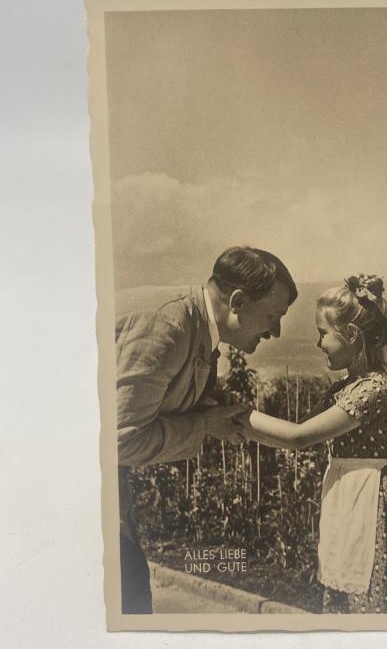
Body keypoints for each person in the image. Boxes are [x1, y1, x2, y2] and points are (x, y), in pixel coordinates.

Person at [115, 246, 297, 613]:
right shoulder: (167, 328)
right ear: (238, 301)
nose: (275, 331)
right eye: (274, 315)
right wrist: (204, 426)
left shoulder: (196, 327)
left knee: (131, 594)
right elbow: (121, 441)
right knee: (127, 597)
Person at [235, 274, 387, 614]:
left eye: (323, 334)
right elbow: (294, 432)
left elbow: (299, 437)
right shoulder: (347, 387)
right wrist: (237, 422)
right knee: (347, 590)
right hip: (351, 497)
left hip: (372, 501)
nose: (318, 343)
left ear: (351, 336)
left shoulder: (374, 389)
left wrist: (236, 415)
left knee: (371, 595)